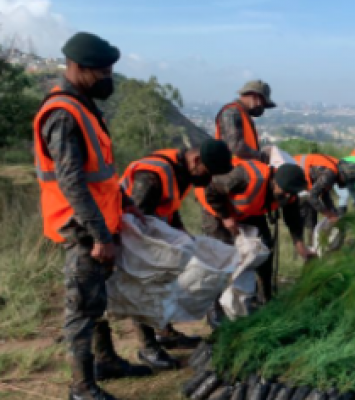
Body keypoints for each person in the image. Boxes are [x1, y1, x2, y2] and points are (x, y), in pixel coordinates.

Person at [32, 32, 151, 400]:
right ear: (77, 67)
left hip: (99, 221)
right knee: (82, 308)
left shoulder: (83, 107)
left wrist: (126, 202)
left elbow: (102, 173)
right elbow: (72, 183)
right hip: (82, 226)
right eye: (102, 71)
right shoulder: (63, 115)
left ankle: (106, 361)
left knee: (96, 300)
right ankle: (82, 388)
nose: (108, 78)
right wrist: (99, 235)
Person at [119, 140, 233, 371]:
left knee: (164, 281)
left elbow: (169, 206)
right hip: (125, 234)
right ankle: (148, 348)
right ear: (196, 160)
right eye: (208, 172)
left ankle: (164, 333)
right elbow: (133, 221)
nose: (209, 178)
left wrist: (181, 233)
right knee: (144, 286)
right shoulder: (151, 176)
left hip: (149, 230)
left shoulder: (182, 171)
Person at [195, 162, 315, 305]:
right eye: (285, 191)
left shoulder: (289, 192)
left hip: (247, 210)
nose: (288, 195)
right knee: (222, 256)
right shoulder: (245, 177)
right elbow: (211, 190)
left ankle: (265, 299)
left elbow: (293, 219)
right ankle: (215, 305)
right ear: (275, 181)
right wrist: (226, 217)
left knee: (264, 248)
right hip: (216, 209)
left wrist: (300, 245)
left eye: (291, 192)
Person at [292, 154, 355, 237]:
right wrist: (330, 215)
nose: (345, 184)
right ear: (344, 175)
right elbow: (312, 196)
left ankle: (312, 240)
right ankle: (308, 242)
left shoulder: (334, 168)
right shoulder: (330, 173)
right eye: (346, 181)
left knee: (313, 215)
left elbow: (324, 194)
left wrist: (335, 214)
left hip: (298, 176)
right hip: (292, 175)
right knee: (310, 213)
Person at [214, 79, 276, 163]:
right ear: (255, 97)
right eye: (263, 104)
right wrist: (263, 157)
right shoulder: (232, 113)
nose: (262, 108)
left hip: (245, 168)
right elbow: (237, 147)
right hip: (233, 169)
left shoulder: (243, 114)